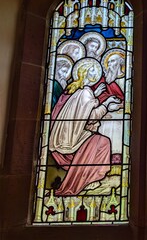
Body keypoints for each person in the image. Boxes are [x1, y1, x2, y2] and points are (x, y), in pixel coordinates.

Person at [49, 58, 121, 196]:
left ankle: (90, 177)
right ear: (85, 73)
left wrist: (99, 96)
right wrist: (107, 104)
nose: (97, 74)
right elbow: (90, 116)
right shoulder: (85, 92)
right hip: (71, 142)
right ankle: (88, 179)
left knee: (100, 140)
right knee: (103, 142)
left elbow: (85, 110)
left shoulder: (81, 91)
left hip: (69, 137)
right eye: (93, 70)